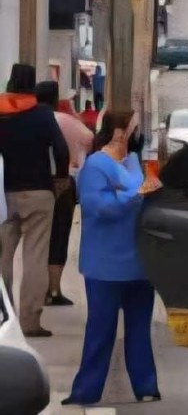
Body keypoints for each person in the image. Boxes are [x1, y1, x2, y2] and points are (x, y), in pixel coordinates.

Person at [62, 111, 161, 406]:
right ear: (119, 131)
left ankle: (146, 384)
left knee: (139, 328)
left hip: (139, 263)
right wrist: (135, 195)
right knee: (101, 329)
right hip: (105, 265)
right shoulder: (96, 166)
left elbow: (139, 196)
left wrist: (135, 193)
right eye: (133, 129)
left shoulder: (132, 163)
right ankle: (86, 389)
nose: (136, 135)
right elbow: (100, 207)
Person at [0, 64, 70, 337]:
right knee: (35, 256)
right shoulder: (42, 113)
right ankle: (30, 321)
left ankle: (3, 316)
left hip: (4, 195)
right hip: (39, 192)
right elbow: (61, 149)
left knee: (3, 256)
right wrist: (61, 178)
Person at [35, 81, 95, 306]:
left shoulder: (30, 120)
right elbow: (89, 140)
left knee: (37, 239)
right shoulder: (68, 121)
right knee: (59, 236)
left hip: (35, 182)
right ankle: (53, 289)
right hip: (64, 183)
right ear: (55, 99)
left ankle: (35, 288)